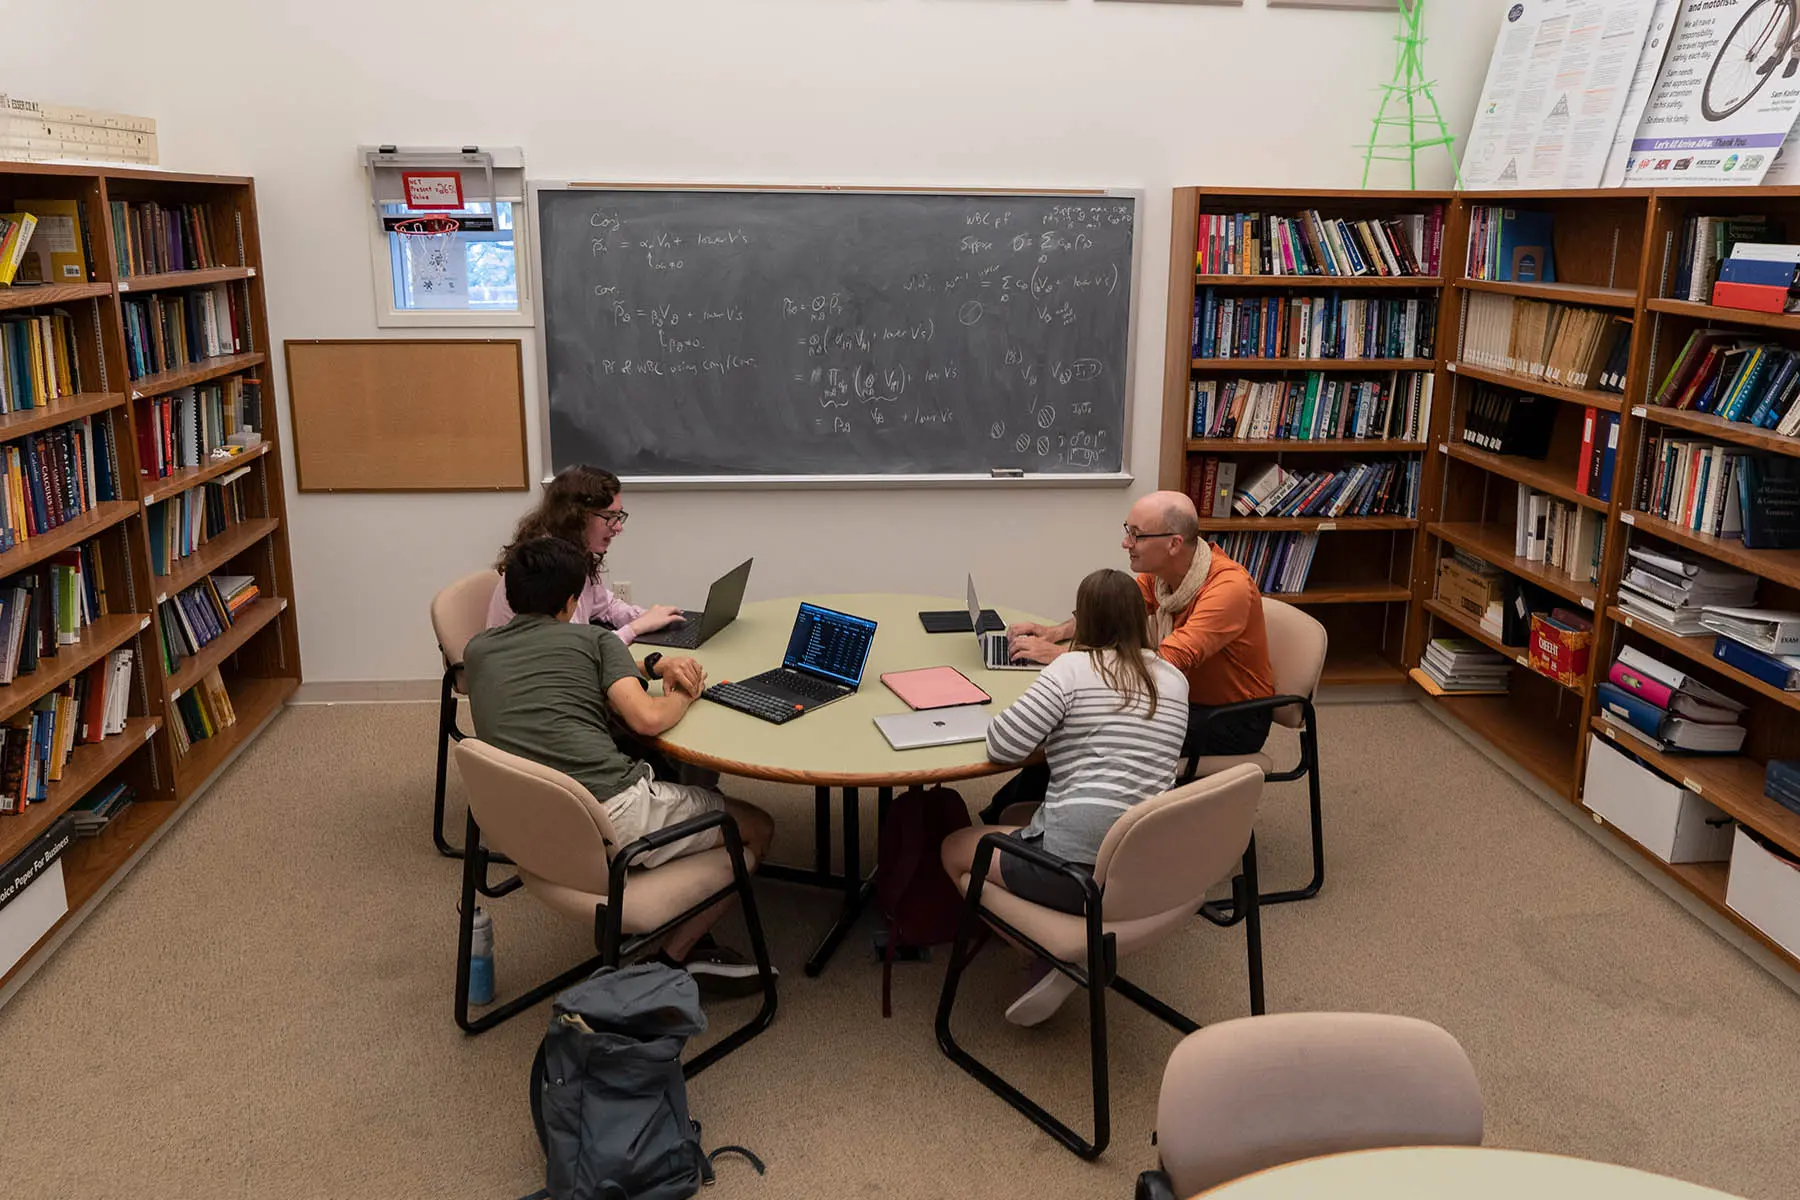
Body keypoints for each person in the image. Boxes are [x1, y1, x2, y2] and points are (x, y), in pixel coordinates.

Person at [463, 536, 775, 997]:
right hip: (613, 815)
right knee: (759, 827)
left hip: (529, 826)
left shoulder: (477, 651)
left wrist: (646, 665)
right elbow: (648, 720)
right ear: (572, 602)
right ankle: (676, 959)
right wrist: (683, 694)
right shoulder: (591, 640)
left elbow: (562, 669)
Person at [940, 568, 1189, 1026]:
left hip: (1083, 873)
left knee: (956, 848)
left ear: (1085, 622)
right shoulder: (1174, 680)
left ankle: (1054, 956)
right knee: (1019, 811)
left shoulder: (1070, 670)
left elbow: (1002, 745)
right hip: (1144, 860)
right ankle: (1057, 946)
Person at [985, 490, 1275, 822]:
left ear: (1174, 544)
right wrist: (1055, 633)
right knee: (1071, 722)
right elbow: (1114, 615)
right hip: (1181, 697)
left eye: (1136, 535)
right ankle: (1004, 815)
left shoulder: (1227, 589)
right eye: (1128, 531)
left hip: (1229, 719)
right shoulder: (1165, 576)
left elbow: (1166, 663)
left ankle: (1012, 821)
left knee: (1079, 725)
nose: (1126, 543)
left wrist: (1067, 659)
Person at [485, 464, 686, 641]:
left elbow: (606, 606)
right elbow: (575, 651)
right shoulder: (544, 567)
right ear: (576, 517)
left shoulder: (575, 554)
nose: (618, 528)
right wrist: (636, 628)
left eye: (619, 516)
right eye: (609, 516)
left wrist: (648, 617)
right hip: (536, 675)